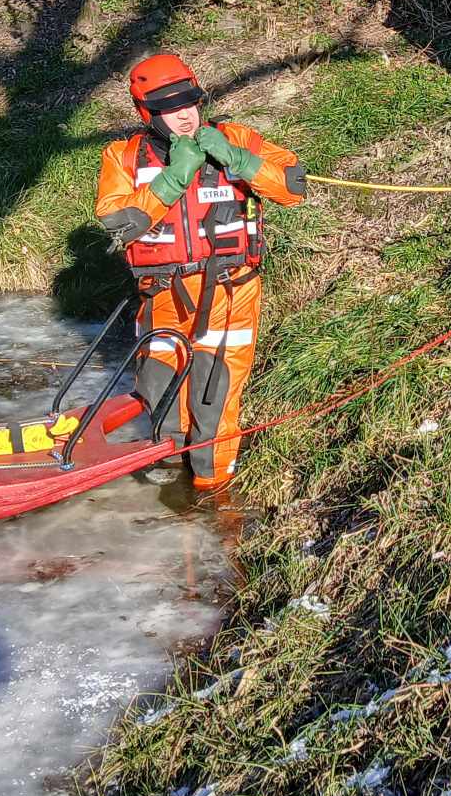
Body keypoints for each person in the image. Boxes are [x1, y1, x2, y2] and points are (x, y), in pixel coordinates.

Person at [94, 53, 307, 491]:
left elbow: (292, 186)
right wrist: (173, 178)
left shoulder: (236, 138)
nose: (184, 114)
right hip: (162, 293)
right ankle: (173, 493)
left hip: (230, 292)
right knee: (161, 391)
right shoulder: (123, 157)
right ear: (147, 113)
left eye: (189, 102)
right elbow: (118, 222)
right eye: (169, 108)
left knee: (214, 393)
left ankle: (214, 492)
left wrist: (239, 160)